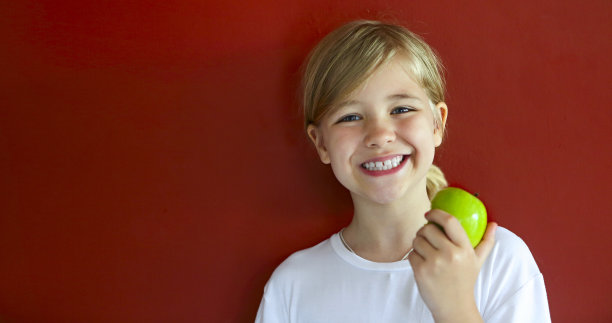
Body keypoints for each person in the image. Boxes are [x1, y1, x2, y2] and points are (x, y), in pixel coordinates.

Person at [255, 20, 550, 322]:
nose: (379, 134)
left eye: (401, 110)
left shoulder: (499, 261)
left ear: (437, 123)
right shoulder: (293, 285)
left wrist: (455, 308)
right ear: (322, 145)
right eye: (351, 116)